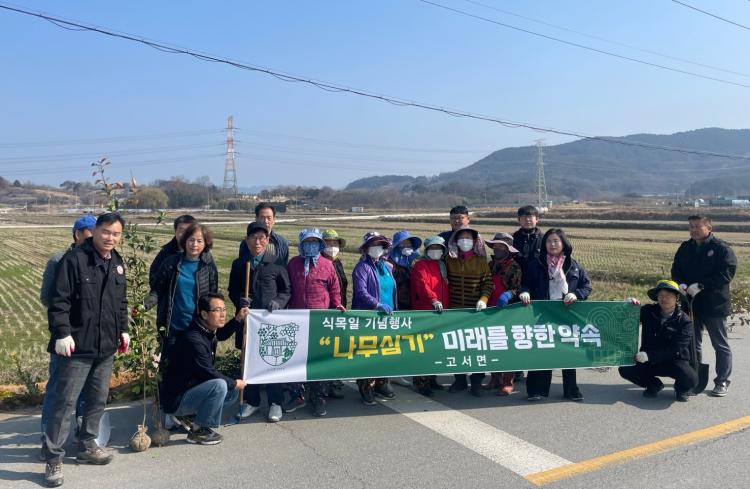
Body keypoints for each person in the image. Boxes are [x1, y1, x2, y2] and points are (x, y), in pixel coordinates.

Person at [43, 213, 129, 487]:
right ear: (96, 231)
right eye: (106, 232)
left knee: (97, 399)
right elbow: (59, 301)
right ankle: (53, 457)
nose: (110, 238)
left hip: (106, 346)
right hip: (77, 346)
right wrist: (62, 333)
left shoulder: (116, 262)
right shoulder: (74, 260)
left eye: (116, 234)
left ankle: (87, 444)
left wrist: (123, 329)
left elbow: (121, 302)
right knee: (64, 403)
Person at [160, 293, 247, 445]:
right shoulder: (194, 339)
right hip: (176, 399)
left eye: (224, 309)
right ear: (205, 314)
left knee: (231, 393)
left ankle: (189, 416)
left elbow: (220, 335)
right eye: (217, 310)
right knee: (220, 385)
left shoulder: (205, 330)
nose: (223, 314)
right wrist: (234, 383)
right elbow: (209, 373)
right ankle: (199, 430)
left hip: (189, 388)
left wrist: (238, 318)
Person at [39, 215, 96, 445]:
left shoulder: (98, 260)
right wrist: (69, 316)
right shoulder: (59, 260)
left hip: (89, 335)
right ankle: (48, 436)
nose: (95, 238)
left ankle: (83, 434)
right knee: (58, 386)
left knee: (86, 388)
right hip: (65, 333)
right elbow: (47, 297)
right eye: (90, 233)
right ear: (77, 234)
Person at [227, 222, 291, 422]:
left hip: (270, 324)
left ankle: (275, 403)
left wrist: (278, 302)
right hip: (248, 322)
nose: (257, 242)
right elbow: (232, 290)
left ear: (267, 240)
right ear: (246, 240)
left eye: (262, 238)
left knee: (273, 361)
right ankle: (252, 401)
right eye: (253, 238)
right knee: (249, 363)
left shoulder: (276, 264)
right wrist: (240, 300)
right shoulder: (239, 264)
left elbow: (286, 290)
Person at [519, 228, 592, 402]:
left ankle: (571, 390)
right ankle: (536, 390)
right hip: (542, 314)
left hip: (567, 314)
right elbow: (525, 284)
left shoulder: (574, 265)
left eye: (556, 241)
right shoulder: (536, 264)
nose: (552, 244)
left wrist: (576, 294)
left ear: (563, 244)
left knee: (568, 351)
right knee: (541, 349)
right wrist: (525, 292)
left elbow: (586, 286)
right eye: (548, 241)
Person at [671, 215, 737, 397]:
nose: (693, 230)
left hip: (715, 305)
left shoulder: (721, 249)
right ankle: (694, 379)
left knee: (720, 344)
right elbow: (676, 268)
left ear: (709, 228)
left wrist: (701, 285)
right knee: (693, 344)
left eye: (697, 226)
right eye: (690, 226)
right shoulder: (685, 247)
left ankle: (722, 381)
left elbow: (726, 273)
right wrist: (680, 284)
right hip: (691, 304)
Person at [283, 228, 345, 417]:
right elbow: (287, 288)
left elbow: (334, 288)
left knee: (319, 358)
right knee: (297, 357)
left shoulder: (327, 265)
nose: (311, 245)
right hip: (297, 318)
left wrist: (337, 304)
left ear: (320, 244)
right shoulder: (293, 264)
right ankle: (298, 394)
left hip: (320, 319)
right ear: (301, 245)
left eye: (315, 242)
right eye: (307, 242)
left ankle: (319, 396)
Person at [618, 281, 697, 402]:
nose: (664, 299)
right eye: (661, 295)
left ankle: (681, 389)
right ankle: (653, 384)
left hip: (673, 361)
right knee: (625, 368)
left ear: (676, 298)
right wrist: (629, 306)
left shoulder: (685, 321)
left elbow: (676, 349)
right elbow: (627, 317)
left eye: (668, 295)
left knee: (691, 379)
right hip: (648, 361)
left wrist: (649, 355)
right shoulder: (648, 311)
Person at [146, 222, 218, 339]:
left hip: (198, 328)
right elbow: (157, 291)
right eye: (191, 240)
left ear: (205, 243)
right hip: (172, 326)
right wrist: (143, 306)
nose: (194, 244)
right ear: (184, 241)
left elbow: (213, 296)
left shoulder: (208, 266)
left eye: (199, 241)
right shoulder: (170, 263)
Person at [445, 227, 493, 396]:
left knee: (477, 347)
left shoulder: (481, 261)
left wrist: (483, 299)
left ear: (474, 242)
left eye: (468, 238)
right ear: (456, 241)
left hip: (476, 312)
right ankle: (459, 380)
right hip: (454, 310)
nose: (465, 241)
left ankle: (477, 381)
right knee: (456, 346)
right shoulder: (449, 259)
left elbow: (488, 284)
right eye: (461, 238)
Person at [352, 231, 398, 405]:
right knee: (368, 352)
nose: (377, 248)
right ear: (366, 248)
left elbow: (391, 289)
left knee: (385, 351)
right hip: (369, 317)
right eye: (373, 245)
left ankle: (381, 383)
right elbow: (360, 291)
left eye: (380, 245)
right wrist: (376, 304)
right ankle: (366, 387)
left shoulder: (387, 267)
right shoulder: (362, 268)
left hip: (388, 317)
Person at [410, 235, 450, 396]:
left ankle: (432, 378)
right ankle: (421, 382)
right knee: (424, 348)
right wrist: (433, 299)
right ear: (426, 250)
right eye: (432, 248)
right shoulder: (421, 265)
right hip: (425, 311)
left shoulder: (441, 265)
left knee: (435, 348)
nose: (436, 251)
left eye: (438, 248)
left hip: (440, 311)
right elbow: (422, 285)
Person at [484, 232, 523, 395]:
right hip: (490, 309)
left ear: (508, 249)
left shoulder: (514, 267)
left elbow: (518, 289)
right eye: (496, 246)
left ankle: (508, 382)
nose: (498, 249)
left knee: (507, 347)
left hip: (508, 311)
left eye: (502, 246)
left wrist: (508, 294)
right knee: (492, 345)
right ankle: (495, 378)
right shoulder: (490, 265)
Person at [321, 228, 349, 399]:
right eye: (328, 243)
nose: (332, 247)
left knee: (336, 349)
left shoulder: (338, 263)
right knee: (325, 349)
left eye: (335, 243)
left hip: (339, 311)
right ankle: (323, 386)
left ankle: (334, 382)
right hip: (325, 313)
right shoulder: (320, 263)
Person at [148, 214, 196, 290]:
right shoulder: (166, 252)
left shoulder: (203, 253)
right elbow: (154, 279)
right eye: (181, 230)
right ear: (175, 231)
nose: (185, 235)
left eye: (189, 231)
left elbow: (211, 282)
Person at [512, 205, 543, 270]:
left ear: (537, 219)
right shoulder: (513, 239)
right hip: (518, 275)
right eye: (523, 217)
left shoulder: (544, 239)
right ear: (518, 220)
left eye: (530, 217)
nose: (527, 219)